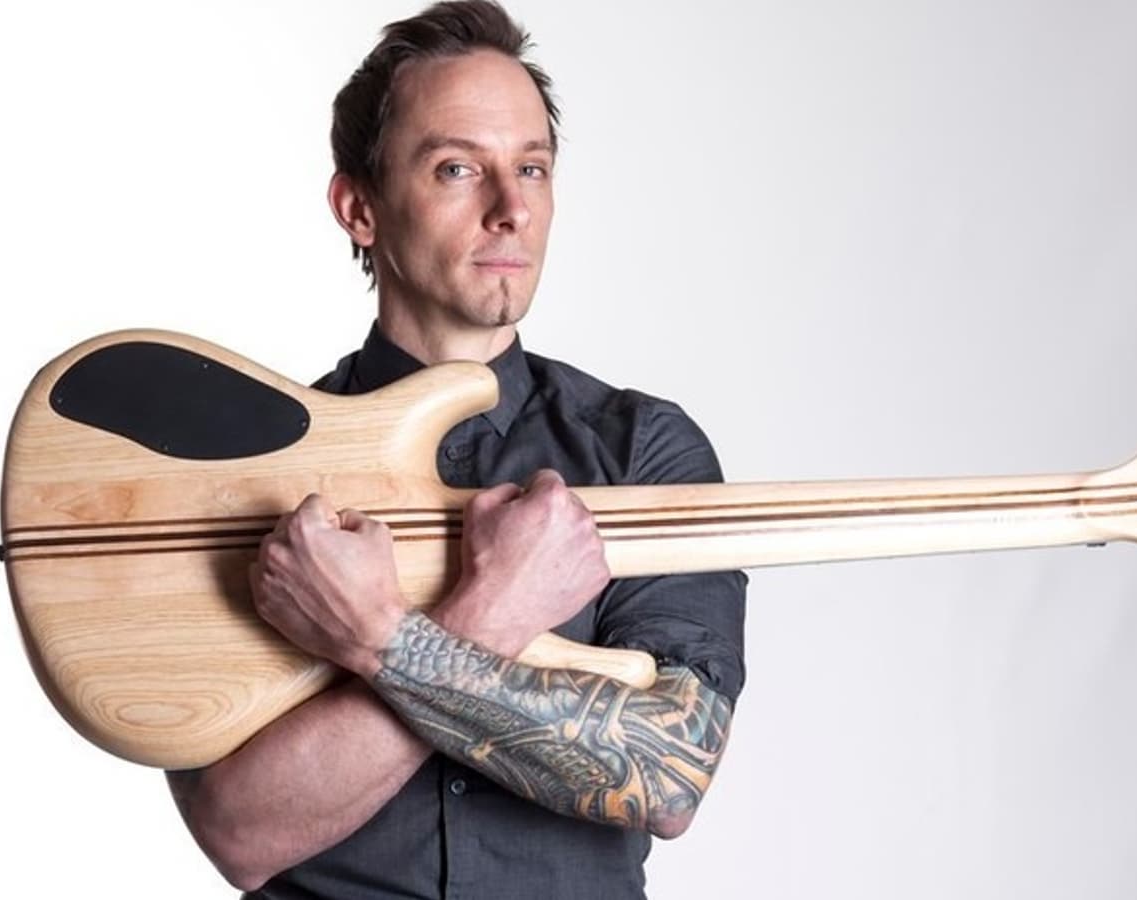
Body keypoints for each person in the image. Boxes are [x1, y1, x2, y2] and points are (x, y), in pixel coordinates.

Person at [166, 3, 747, 897]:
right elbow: (241, 832)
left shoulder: (643, 454)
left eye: (532, 168)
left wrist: (377, 637)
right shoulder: (247, 475)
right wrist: (497, 609)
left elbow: (668, 776)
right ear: (359, 208)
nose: (512, 209)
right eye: (457, 168)